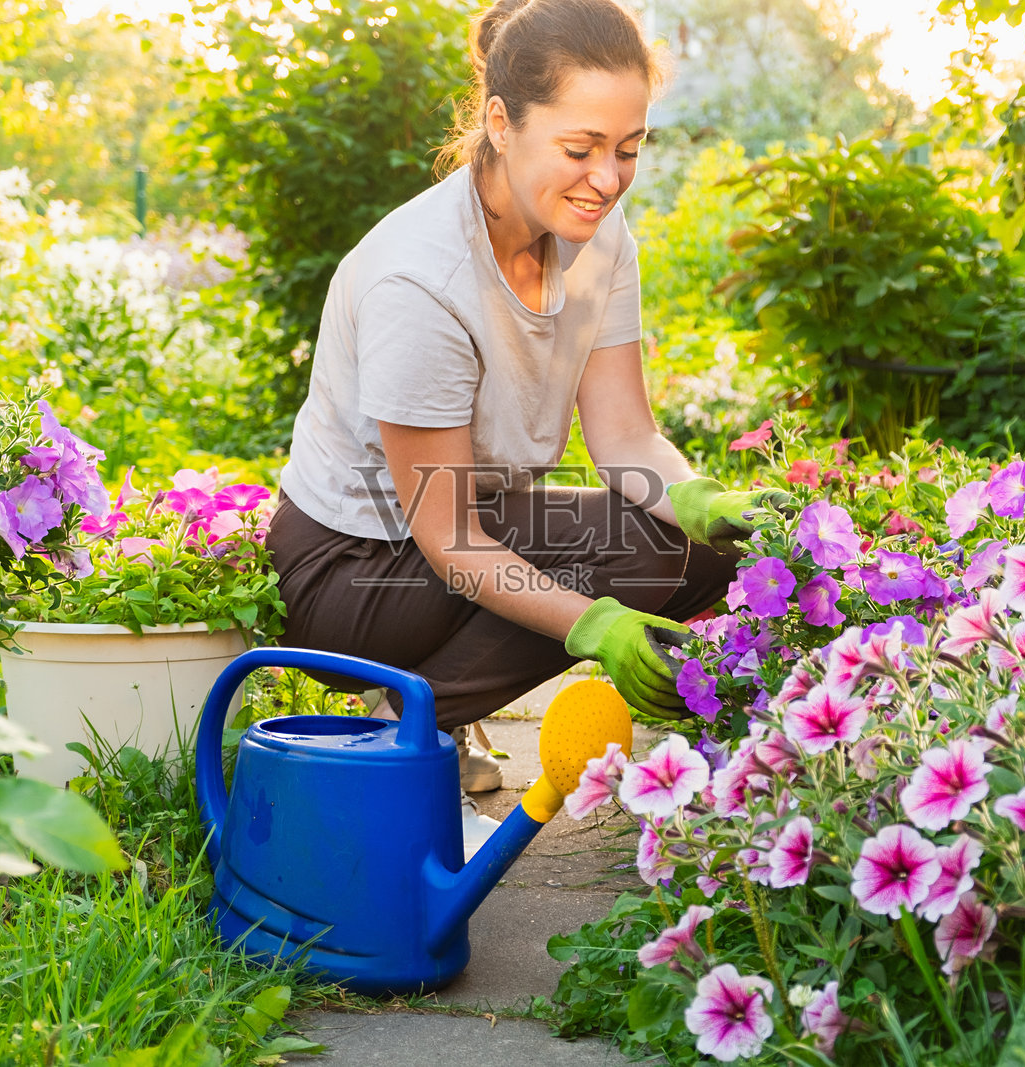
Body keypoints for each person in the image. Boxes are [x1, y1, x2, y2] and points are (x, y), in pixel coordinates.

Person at [265, 0, 785, 857]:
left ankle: (424, 706)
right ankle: (396, 729)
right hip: (354, 570)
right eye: (581, 149)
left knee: (696, 549)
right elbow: (451, 540)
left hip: (468, 526)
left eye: (628, 150)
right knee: (626, 558)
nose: (606, 180)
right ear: (502, 124)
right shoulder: (422, 279)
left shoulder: (598, 239)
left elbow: (625, 436)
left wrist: (699, 498)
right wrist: (597, 625)